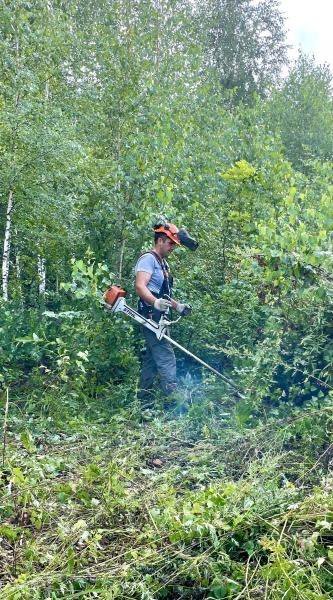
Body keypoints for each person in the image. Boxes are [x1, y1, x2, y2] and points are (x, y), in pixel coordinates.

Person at [135, 223, 192, 405]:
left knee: (152, 362)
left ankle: (143, 402)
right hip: (151, 317)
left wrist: (178, 306)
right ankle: (175, 404)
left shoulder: (163, 263)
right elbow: (140, 286)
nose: (172, 247)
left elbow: (164, 296)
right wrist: (154, 302)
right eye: (170, 244)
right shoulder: (148, 259)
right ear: (160, 240)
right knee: (167, 358)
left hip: (161, 319)